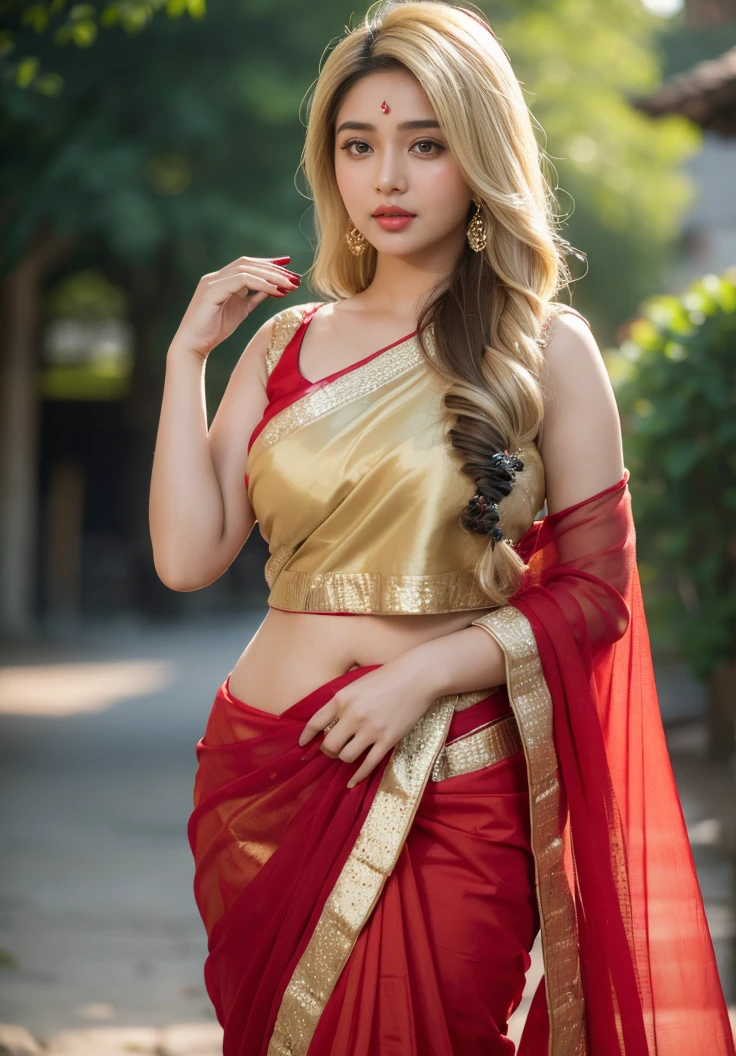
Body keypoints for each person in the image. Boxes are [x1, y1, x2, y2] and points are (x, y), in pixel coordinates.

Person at [149, 2, 735, 1053]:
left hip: (455, 781)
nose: (387, 177)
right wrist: (184, 362)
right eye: (358, 145)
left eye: (424, 145)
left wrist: (418, 677)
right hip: (270, 777)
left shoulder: (544, 348)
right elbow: (189, 559)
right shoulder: (282, 343)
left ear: (476, 155)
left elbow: (597, 595)